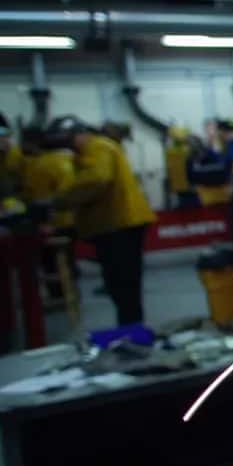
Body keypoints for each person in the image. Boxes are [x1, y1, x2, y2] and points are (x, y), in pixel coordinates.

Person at [46, 116, 157, 326]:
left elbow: (97, 180)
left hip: (121, 224)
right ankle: (130, 328)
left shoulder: (98, 147)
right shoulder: (92, 150)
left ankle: (132, 330)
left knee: (123, 283)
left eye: (69, 140)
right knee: (120, 283)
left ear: (80, 134)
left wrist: (59, 200)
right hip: (114, 224)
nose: (67, 146)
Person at [20, 126, 78, 298]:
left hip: (52, 223)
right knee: (68, 257)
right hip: (74, 219)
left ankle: (58, 295)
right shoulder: (72, 159)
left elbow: (37, 199)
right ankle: (72, 291)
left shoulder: (39, 164)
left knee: (51, 262)